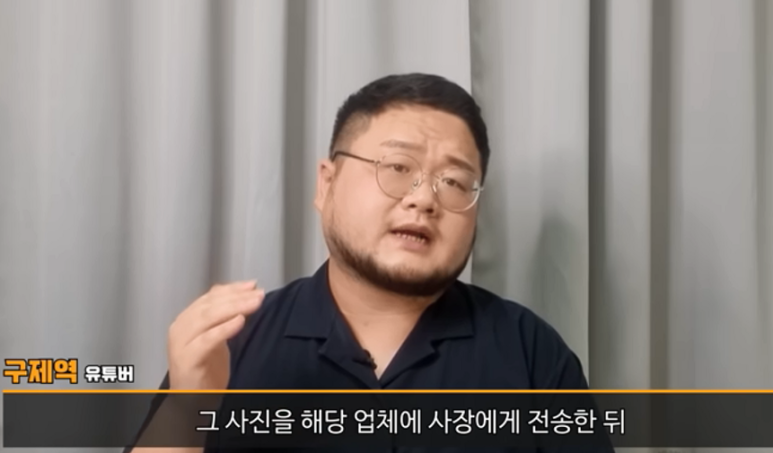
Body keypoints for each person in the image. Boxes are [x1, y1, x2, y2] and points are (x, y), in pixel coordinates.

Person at [126, 73, 604, 453]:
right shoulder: (233, 342)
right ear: (326, 184)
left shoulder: (531, 353)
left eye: (455, 183)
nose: (424, 200)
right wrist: (186, 412)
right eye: (397, 168)